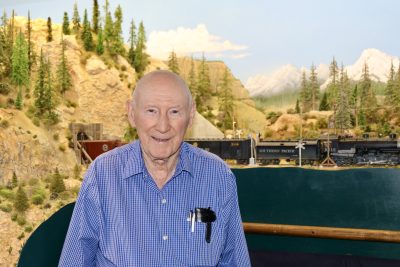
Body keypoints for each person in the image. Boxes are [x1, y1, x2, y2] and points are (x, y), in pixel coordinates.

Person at [58, 70, 251, 266]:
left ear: (191, 116)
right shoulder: (102, 174)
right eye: (151, 111)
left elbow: (235, 261)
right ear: (132, 113)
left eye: (174, 112)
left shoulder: (218, 176)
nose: (163, 125)